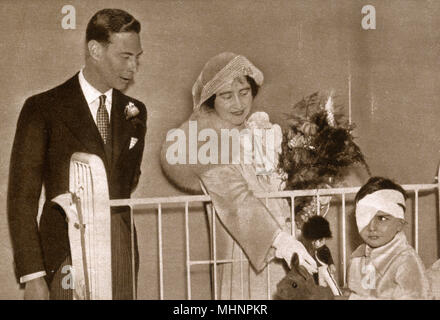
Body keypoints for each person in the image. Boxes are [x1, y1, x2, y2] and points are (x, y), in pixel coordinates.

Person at [7, 9, 147, 300]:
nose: (133, 67)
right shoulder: (43, 108)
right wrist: (33, 276)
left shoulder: (135, 111)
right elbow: (22, 198)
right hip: (63, 252)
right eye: (125, 56)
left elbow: (129, 178)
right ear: (95, 50)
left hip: (119, 247)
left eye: (137, 57)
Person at [160, 52, 316, 299]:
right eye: (226, 96)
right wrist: (280, 241)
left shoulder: (259, 131)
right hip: (244, 251)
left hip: (286, 246)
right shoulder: (204, 142)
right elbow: (235, 199)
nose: (239, 104)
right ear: (211, 100)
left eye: (244, 92)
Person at [344, 177, 431, 299]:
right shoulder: (357, 257)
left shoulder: (405, 261)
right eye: (364, 216)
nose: (371, 227)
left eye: (382, 218)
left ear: (399, 224)